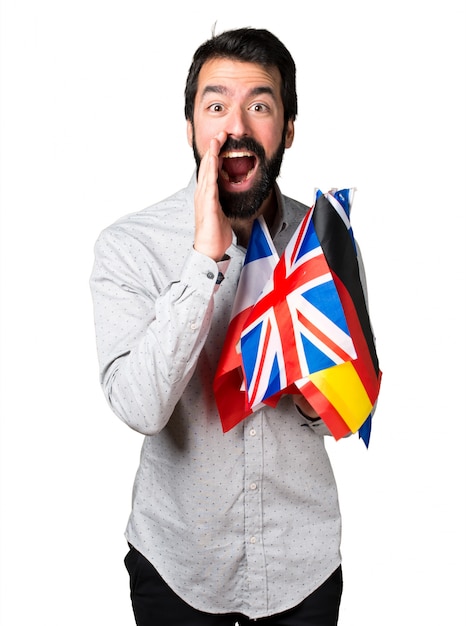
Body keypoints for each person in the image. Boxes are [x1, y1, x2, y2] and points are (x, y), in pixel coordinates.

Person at [90, 27, 371, 625]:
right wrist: (201, 263)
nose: (235, 125)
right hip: (177, 567)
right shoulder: (129, 246)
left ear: (288, 128)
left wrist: (313, 378)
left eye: (260, 105)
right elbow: (140, 407)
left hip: (303, 563)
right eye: (215, 106)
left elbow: (350, 408)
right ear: (191, 125)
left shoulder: (324, 240)